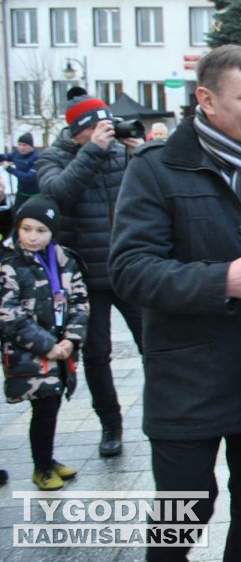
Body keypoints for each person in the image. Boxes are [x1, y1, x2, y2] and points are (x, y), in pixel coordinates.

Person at [109, 45, 241, 561]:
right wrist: (223, 280)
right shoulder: (157, 168)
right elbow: (129, 269)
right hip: (188, 381)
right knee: (183, 513)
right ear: (206, 100)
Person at [37, 95, 145, 458]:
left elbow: (146, 195)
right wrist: (92, 153)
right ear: (76, 131)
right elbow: (57, 196)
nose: (105, 132)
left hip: (127, 269)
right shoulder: (54, 157)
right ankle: (110, 425)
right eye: (95, 127)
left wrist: (141, 153)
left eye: (107, 125)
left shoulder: (119, 152)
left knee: (157, 345)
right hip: (85, 277)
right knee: (97, 355)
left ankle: (171, 413)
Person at [0, 195, 88, 490]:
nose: (32, 237)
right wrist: (47, 345)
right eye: (26, 229)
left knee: (51, 406)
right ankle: (41, 467)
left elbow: (79, 301)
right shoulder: (9, 263)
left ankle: (48, 459)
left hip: (61, 348)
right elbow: (9, 314)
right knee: (44, 407)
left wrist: (71, 341)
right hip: (31, 352)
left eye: (41, 230)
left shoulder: (64, 259)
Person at [0, 133, 41, 212]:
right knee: (17, 218)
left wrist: (9, 168)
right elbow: (5, 157)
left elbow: (29, 177)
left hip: (35, 195)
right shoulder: (17, 153)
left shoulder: (37, 157)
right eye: (19, 145)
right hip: (21, 194)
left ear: (31, 146)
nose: (21, 147)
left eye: (24, 145)